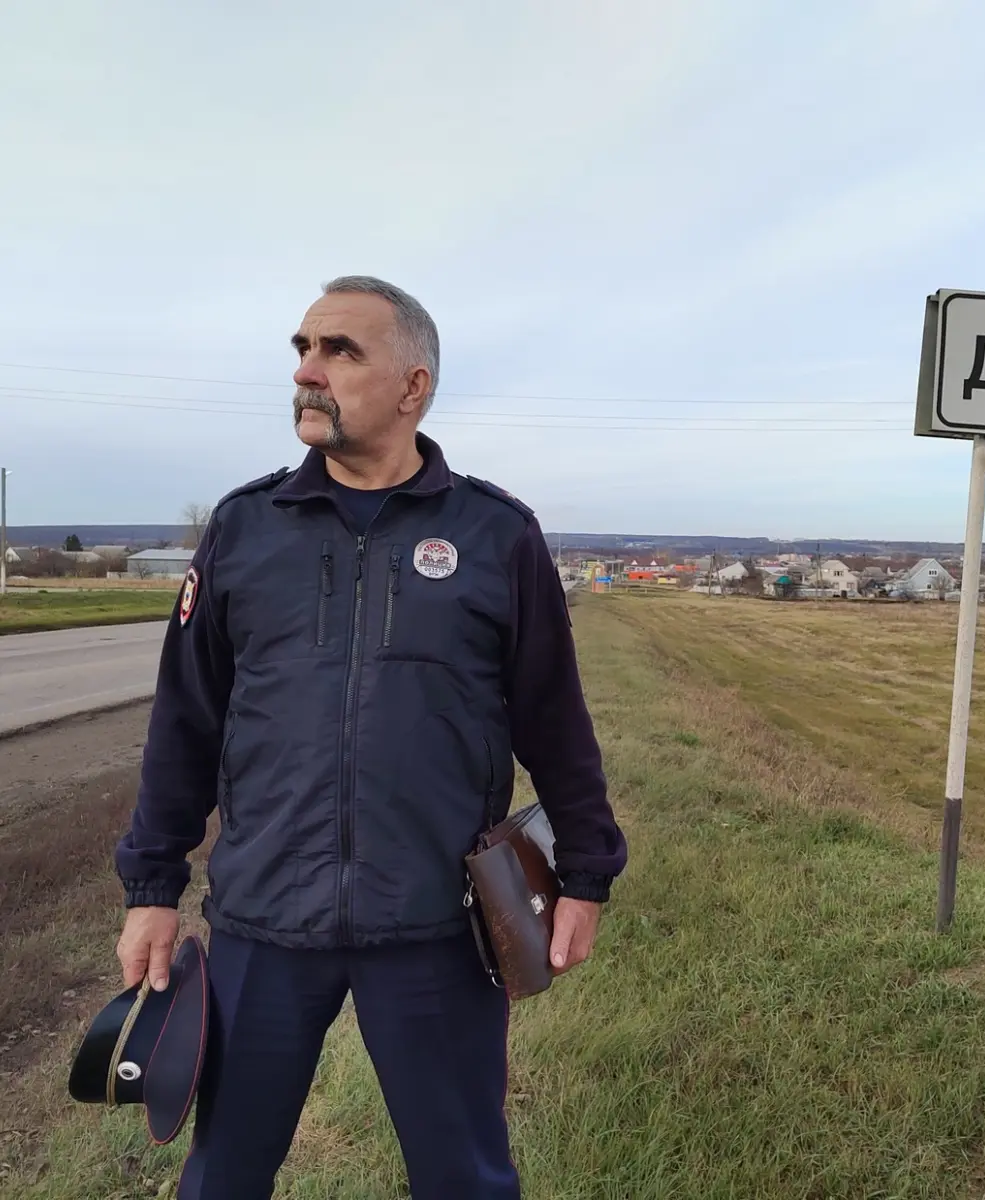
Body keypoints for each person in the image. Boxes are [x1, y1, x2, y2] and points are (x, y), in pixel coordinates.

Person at [113, 275, 628, 1199]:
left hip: (435, 924)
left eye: (340, 351)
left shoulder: (495, 533)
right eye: (303, 349)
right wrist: (152, 886)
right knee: (223, 1174)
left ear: (413, 385)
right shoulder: (243, 528)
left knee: (464, 1176)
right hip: (264, 922)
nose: (308, 371)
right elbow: (185, 719)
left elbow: (554, 716)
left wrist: (586, 871)